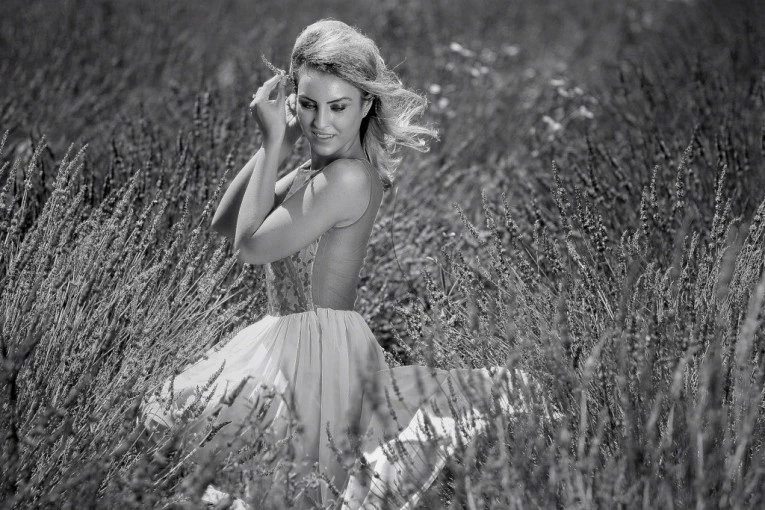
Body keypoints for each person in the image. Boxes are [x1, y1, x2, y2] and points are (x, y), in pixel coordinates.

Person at [142, 19, 526, 509]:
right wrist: (278, 144)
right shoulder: (315, 172)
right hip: (292, 343)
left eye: (338, 107)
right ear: (293, 100)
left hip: (318, 355)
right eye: (308, 105)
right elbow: (226, 222)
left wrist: (271, 145)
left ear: (366, 105)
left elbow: (249, 247)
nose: (321, 122)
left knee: (293, 486)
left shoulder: (348, 177)